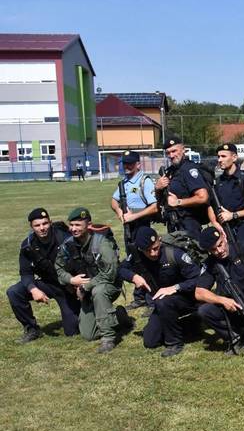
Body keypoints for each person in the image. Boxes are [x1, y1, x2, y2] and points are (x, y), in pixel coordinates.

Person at [119, 226, 202, 357]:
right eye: (148, 250)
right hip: (162, 303)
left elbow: (198, 278)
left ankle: (174, 343)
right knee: (150, 341)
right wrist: (133, 277)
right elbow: (121, 269)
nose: (153, 253)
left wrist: (175, 288)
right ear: (141, 249)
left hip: (186, 297)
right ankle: (191, 323)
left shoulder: (174, 254)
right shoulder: (136, 255)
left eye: (156, 248)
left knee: (163, 301)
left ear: (159, 240)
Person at [195, 227, 244, 359]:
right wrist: (222, 300)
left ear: (224, 236)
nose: (219, 251)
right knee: (204, 311)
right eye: (213, 250)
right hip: (233, 310)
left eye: (220, 244)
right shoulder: (211, 263)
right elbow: (199, 292)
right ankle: (235, 338)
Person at [54, 208, 122, 353]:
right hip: (86, 291)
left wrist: (85, 287)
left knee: (99, 290)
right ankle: (119, 316)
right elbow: (58, 268)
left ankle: (108, 338)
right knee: (88, 335)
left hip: (109, 286)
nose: (73, 229)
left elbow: (109, 274)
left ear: (88, 225)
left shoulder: (102, 243)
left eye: (78, 225)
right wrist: (71, 280)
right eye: (71, 225)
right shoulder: (68, 244)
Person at [7, 208, 80, 342]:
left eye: (45, 223)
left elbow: (80, 265)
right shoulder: (27, 245)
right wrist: (33, 289)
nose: (42, 228)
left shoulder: (65, 238)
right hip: (47, 283)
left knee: (72, 331)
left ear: (50, 222)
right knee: (14, 292)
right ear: (31, 227)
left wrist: (77, 286)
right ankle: (32, 329)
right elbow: (25, 272)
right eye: (37, 225)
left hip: (68, 287)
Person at [110, 149, 158, 310]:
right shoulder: (124, 183)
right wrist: (120, 213)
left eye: (130, 163)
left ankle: (152, 299)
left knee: (146, 261)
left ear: (138, 164)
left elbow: (154, 207)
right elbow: (113, 201)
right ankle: (139, 297)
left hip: (142, 226)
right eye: (125, 164)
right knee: (134, 260)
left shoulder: (145, 181)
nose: (127, 166)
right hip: (129, 228)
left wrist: (133, 216)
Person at [208, 143, 244, 252]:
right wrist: (215, 223)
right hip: (224, 227)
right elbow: (210, 205)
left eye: (223, 156)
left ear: (234, 157)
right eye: (218, 156)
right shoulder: (218, 182)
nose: (219, 160)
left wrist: (233, 215)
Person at [154, 135, 210, 237]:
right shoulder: (170, 171)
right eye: (168, 153)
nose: (171, 155)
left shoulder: (188, 169)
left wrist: (178, 202)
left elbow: (203, 197)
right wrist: (157, 188)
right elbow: (162, 201)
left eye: (174, 151)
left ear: (183, 149)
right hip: (173, 223)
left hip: (189, 224)